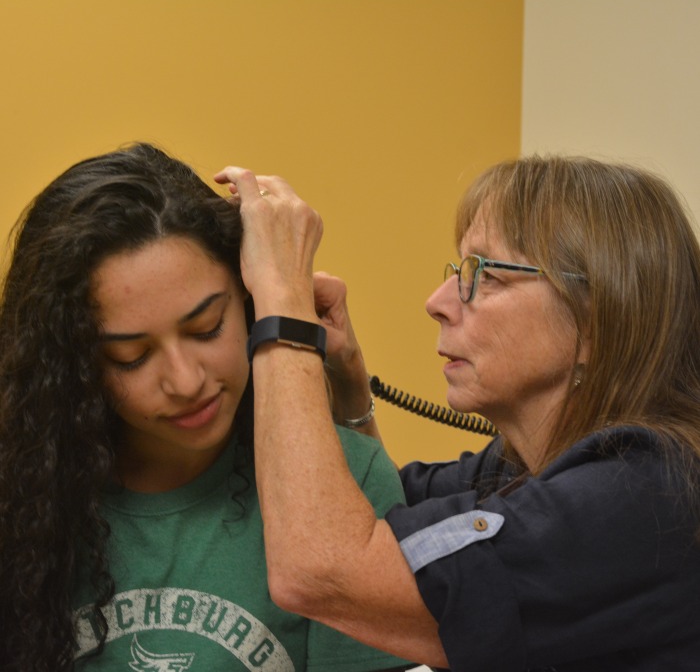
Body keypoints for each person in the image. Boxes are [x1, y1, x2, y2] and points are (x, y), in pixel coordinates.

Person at [214, 155, 700, 671]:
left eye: (486, 274)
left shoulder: (647, 492)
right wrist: (349, 386)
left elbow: (322, 569)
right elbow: (376, 520)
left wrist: (283, 303)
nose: (438, 302)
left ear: (597, 320)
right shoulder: (520, 467)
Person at [0, 143, 413, 672]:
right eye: (131, 356)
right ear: (75, 367)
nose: (186, 380)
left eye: (207, 328)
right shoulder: (23, 501)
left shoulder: (352, 481)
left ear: (248, 299)